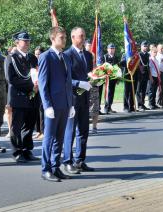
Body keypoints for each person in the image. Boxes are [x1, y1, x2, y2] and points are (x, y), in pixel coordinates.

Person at [38, 26, 74, 182]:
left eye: (65, 37)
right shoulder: (46, 57)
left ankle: (55, 167)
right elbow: (42, 84)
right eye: (61, 37)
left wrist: (71, 104)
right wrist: (47, 106)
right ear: (52, 38)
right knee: (49, 138)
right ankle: (45, 169)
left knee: (59, 138)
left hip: (65, 104)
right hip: (52, 105)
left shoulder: (65, 57)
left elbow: (68, 82)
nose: (64, 40)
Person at [63, 27, 95, 174]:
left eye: (84, 35)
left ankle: (80, 160)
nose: (82, 38)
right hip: (72, 98)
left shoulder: (88, 55)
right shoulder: (67, 55)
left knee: (84, 130)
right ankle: (68, 161)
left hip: (85, 98)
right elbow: (65, 78)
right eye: (80, 36)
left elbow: (89, 74)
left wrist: (96, 79)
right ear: (73, 37)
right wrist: (78, 83)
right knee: (70, 131)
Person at [5, 31, 40, 163]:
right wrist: (31, 85)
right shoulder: (11, 58)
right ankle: (16, 151)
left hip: (33, 97)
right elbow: (11, 79)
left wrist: (37, 85)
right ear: (17, 42)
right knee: (17, 127)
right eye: (24, 41)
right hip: (19, 97)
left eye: (28, 41)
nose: (27, 43)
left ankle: (27, 150)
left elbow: (38, 73)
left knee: (30, 125)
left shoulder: (32, 58)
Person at [102, 43, 119, 114]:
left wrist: (117, 78)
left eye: (113, 48)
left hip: (114, 78)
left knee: (112, 93)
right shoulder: (105, 57)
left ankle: (109, 107)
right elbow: (102, 68)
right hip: (107, 78)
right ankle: (106, 108)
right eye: (110, 48)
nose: (112, 50)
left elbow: (117, 68)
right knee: (107, 93)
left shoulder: (116, 57)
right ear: (107, 49)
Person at [33, 46, 45, 140]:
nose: (37, 56)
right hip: (34, 89)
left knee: (41, 110)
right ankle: (38, 131)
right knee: (36, 110)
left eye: (39, 54)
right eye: (36, 54)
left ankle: (43, 131)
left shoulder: (45, 62)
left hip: (42, 90)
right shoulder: (33, 64)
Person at [136, 41, 150, 111]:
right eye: (144, 46)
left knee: (144, 90)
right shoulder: (139, 54)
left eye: (146, 46)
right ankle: (139, 105)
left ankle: (143, 104)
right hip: (139, 75)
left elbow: (148, 65)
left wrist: (149, 75)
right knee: (138, 90)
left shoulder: (147, 54)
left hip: (146, 74)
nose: (145, 47)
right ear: (141, 47)